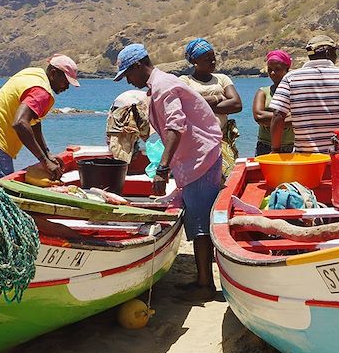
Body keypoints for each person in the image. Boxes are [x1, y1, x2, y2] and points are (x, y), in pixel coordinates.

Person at [114, 43, 222, 302]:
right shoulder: (160, 84)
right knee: (197, 220)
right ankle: (202, 280)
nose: (128, 79)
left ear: (139, 65)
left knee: (200, 226)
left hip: (200, 159)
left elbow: (175, 127)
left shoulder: (163, 87)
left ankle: (205, 286)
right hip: (195, 159)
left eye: (128, 73)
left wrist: (162, 169)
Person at [0, 54, 79, 178]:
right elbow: (20, 123)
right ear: (54, 73)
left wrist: (47, 154)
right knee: (3, 190)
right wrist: (44, 161)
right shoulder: (42, 92)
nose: (66, 87)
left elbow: (33, 122)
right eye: (65, 82)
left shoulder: (34, 74)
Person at [269, 34, 339, 153]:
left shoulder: (291, 78)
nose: (336, 56)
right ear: (329, 53)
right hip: (336, 156)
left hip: (304, 159)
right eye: (335, 52)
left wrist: (275, 149)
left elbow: (278, 115)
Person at [180, 38, 242, 178]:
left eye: (213, 57)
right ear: (195, 62)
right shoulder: (185, 81)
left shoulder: (222, 79)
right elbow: (187, 105)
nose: (212, 61)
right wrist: (218, 98)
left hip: (222, 137)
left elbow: (237, 104)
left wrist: (201, 104)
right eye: (207, 59)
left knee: (224, 178)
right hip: (197, 142)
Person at [253, 50, 296, 156]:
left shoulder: (295, 93)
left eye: (277, 69)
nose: (272, 73)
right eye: (270, 70)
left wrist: (275, 120)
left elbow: (299, 118)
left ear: (287, 69)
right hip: (265, 146)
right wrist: (285, 117)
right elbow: (259, 116)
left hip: (292, 146)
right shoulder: (263, 92)